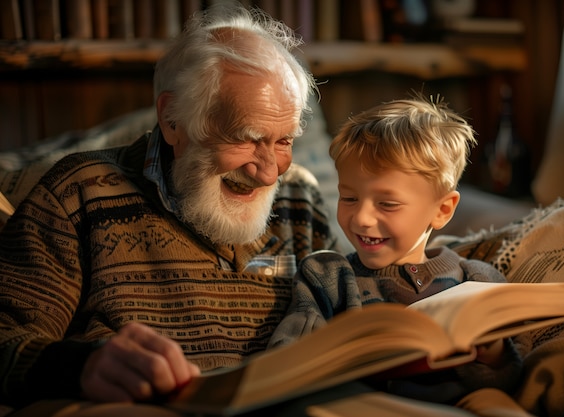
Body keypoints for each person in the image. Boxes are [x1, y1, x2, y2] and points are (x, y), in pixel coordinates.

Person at [0, 4, 339, 412]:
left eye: (283, 141)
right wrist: (81, 367)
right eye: (245, 137)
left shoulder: (299, 197)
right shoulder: (78, 193)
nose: (269, 173)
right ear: (172, 119)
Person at [268, 97, 522, 404]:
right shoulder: (328, 276)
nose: (361, 218)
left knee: (494, 404)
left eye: (387, 204)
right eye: (348, 198)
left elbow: (513, 376)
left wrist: (492, 355)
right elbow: (287, 357)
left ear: (441, 210)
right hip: (367, 407)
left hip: (462, 404)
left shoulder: (478, 281)